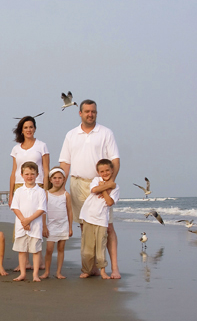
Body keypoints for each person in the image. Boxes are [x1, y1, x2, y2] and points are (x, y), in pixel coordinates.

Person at [59, 99, 121, 278]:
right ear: (80, 113)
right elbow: (65, 163)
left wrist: (109, 185)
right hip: (78, 184)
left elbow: (115, 160)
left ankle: (114, 268)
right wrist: (60, 188)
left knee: (107, 226)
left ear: (96, 113)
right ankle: (91, 267)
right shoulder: (71, 134)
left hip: (100, 185)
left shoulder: (106, 133)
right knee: (85, 227)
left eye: (93, 111)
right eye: (86, 111)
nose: (90, 114)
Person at [79, 159, 119, 279]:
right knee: (88, 248)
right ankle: (87, 270)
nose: (105, 173)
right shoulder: (96, 180)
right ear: (98, 172)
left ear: (112, 170)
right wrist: (106, 186)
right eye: (102, 171)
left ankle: (102, 270)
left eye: (107, 170)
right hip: (88, 216)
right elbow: (94, 190)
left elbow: (110, 202)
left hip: (102, 220)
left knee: (101, 247)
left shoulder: (116, 188)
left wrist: (105, 190)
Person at [11, 162, 47, 282]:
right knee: (22, 250)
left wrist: (29, 220)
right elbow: (15, 207)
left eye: (32, 174)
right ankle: (22, 273)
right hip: (21, 226)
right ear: (22, 175)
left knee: (35, 250)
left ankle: (35, 274)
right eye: (27, 174)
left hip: (35, 226)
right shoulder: (19, 191)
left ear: (37, 174)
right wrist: (23, 221)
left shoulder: (40, 191)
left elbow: (41, 209)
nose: (29, 176)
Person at [41, 167, 73, 279]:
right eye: (55, 178)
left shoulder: (66, 195)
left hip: (63, 225)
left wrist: (70, 227)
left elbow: (69, 211)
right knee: (49, 249)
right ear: (50, 179)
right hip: (51, 225)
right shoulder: (46, 194)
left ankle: (58, 272)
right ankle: (47, 272)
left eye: (60, 178)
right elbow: (43, 211)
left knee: (61, 248)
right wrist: (44, 226)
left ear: (64, 179)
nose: (57, 180)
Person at [9, 116, 49, 204]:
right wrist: (11, 195)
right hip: (19, 185)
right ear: (22, 130)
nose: (29, 130)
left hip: (37, 184)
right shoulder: (16, 149)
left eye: (31, 127)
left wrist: (45, 190)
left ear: (35, 129)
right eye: (26, 128)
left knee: (38, 213)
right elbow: (14, 172)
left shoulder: (42, 146)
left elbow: (46, 171)